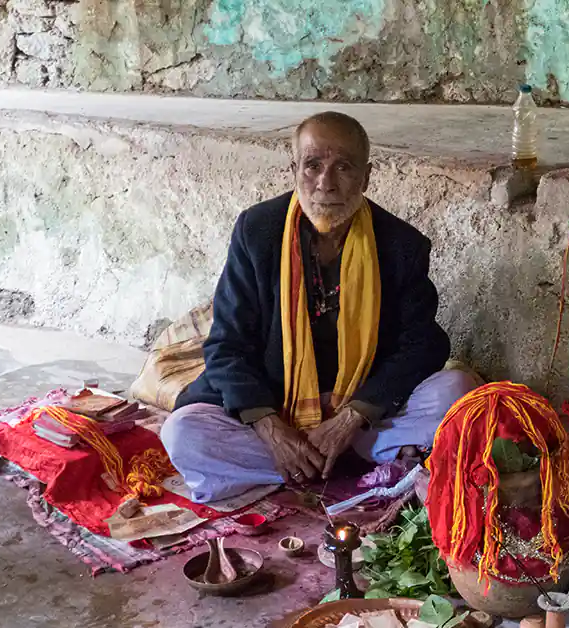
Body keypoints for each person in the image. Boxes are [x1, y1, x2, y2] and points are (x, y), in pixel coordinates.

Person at [160, 112, 476, 502]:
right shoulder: (257, 231)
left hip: (360, 417)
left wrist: (351, 417)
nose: (325, 184)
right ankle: (343, 463)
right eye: (312, 166)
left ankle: (316, 461)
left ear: (367, 176)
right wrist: (271, 429)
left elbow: (423, 345)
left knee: (458, 392)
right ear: (294, 169)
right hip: (278, 406)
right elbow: (227, 345)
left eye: (343, 167)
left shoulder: (400, 244)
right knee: (184, 434)